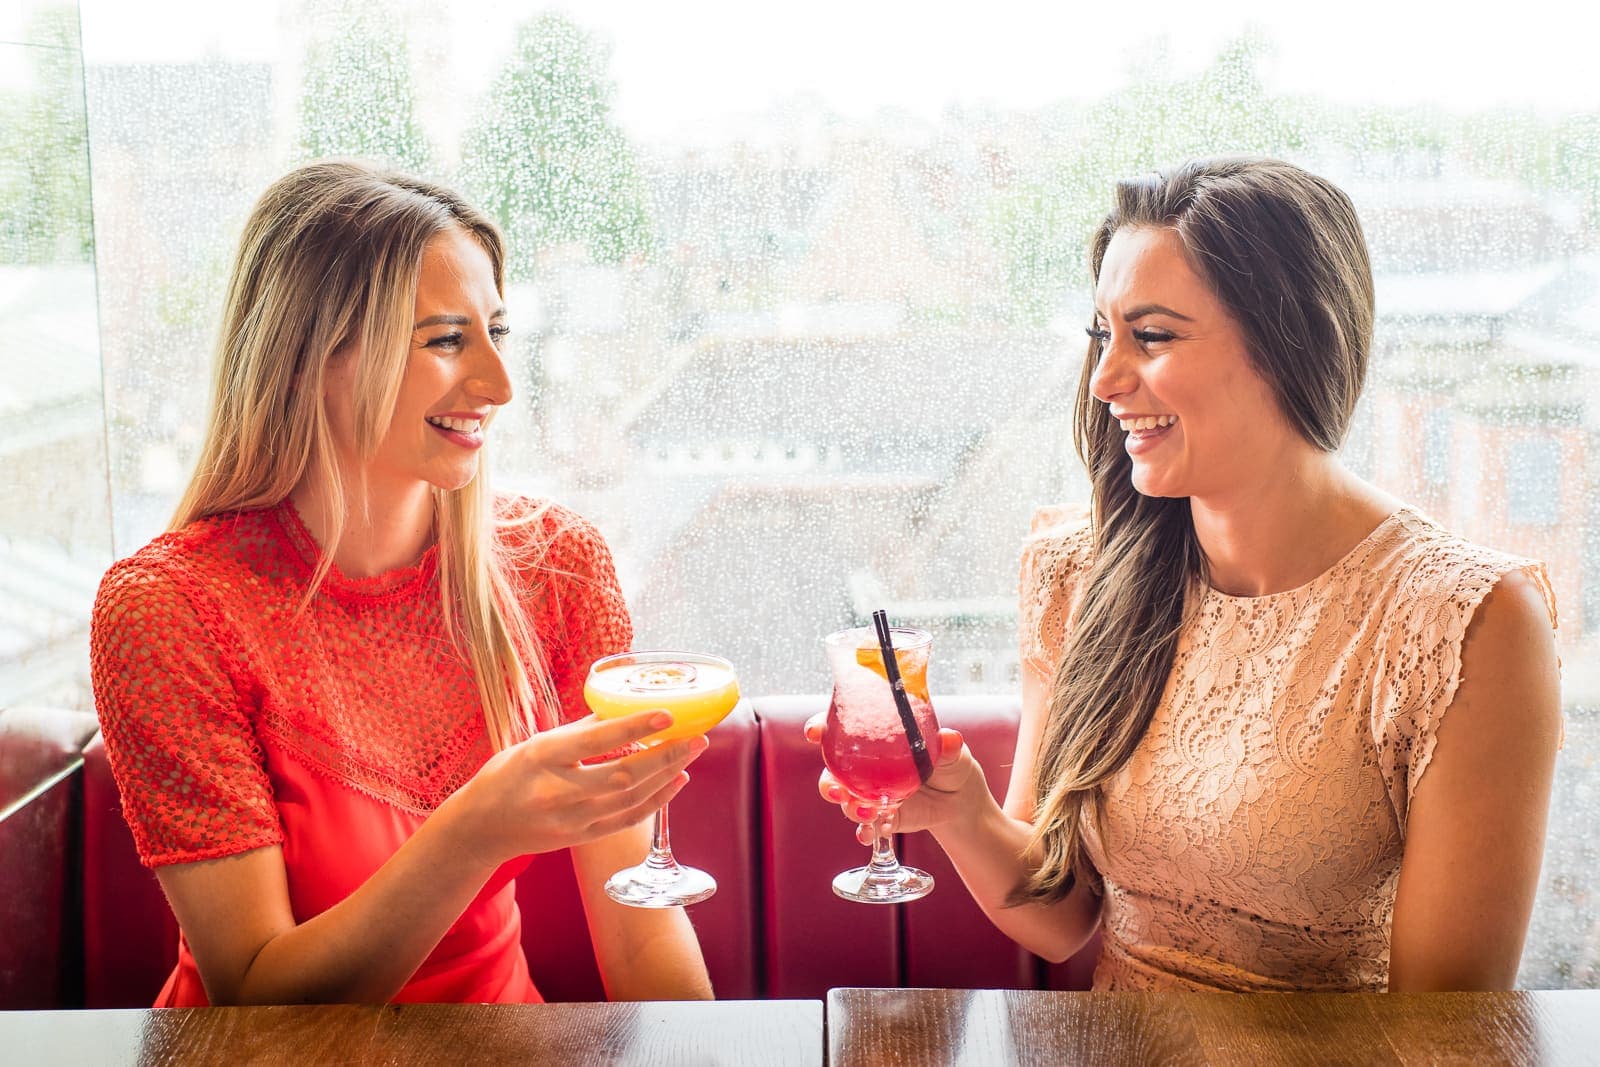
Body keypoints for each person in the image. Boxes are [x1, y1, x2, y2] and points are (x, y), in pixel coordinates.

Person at [813, 157, 1562, 992]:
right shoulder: (1078, 573)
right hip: (1115, 1046)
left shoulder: (1468, 626)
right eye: (1102, 335)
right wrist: (963, 812)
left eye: (1153, 336)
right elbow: (1062, 919)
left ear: (1292, 343)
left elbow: (1441, 1028)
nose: (1105, 380)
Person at [90, 161, 713, 1006]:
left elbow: (640, 930)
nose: (499, 386)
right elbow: (255, 997)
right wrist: (475, 830)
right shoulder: (167, 609)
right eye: (446, 340)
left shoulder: (558, 567)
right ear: (309, 358)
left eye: (497, 330)